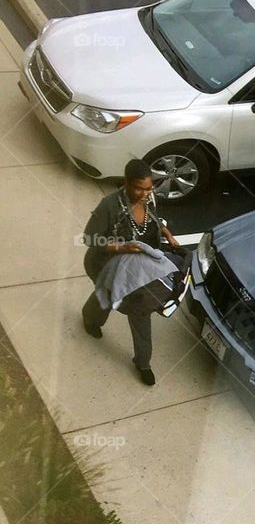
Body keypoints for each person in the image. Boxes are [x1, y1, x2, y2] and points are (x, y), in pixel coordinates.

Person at [81, 159, 184, 386]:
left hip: (139, 269)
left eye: (148, 188)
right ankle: (90, 320)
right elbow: (89, 238)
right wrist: (121, 247)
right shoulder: (109, 205)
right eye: (139, 188)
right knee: (106, 296)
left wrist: (166, 233)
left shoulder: (147, 198)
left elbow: (155, 217)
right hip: (107, 266)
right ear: (126, 182)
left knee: (140, 311)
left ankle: (142, 362)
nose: (144, 194)